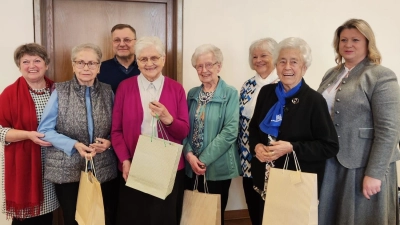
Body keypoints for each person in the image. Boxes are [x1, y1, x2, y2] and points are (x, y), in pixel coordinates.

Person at [317, 19, 400, 225]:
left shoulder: (380, 75)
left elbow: (389, 129)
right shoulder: (331, 74)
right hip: (332, 162)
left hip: (364, 164)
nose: (348, 44)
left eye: (355, 39)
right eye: (343, 40)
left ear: (367, 42)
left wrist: (374, 173)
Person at [248, 37, 339, 224]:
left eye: (294, 62)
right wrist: (256, 146)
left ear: (304, 68)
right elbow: (254, 128)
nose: (287, 67)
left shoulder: (314, 101)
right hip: (264, 179)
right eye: (282, 61)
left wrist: (292, 147)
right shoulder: (266, 93)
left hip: (296, 183)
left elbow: (329, 146)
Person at [112, 36, 189, 225]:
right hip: (134, 162)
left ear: (163, 59)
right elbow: (116, 131)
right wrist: (125, 160)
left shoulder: (176, 89)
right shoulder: (125, 87)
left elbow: (183, 131)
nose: (149, 63)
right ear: (137, 62)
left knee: (164, 216)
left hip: (167, 164)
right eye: (143, 59)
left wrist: (168, 119)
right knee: (134, 217)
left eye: (154, 58)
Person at [38, 43, 118, 225]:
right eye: (80, 62)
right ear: (73, 65)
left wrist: (109, 142)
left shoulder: (107, 91)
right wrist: (73, 144)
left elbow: (118, 128)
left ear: (99, 67)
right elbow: (44, 131)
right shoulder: (60, 91)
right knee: (75, 219)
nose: (86, 68)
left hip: (103, 167)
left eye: (91, 63)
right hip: (67, 169)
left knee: (105, 218)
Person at [0, 43, 59, 225]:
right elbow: (1, 131)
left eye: (37, 60)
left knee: (47, 216)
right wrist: (28, 135)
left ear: (46, 65)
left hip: (55, 165)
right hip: (24, 166)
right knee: (26, 217)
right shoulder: (9, 94)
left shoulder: (58, 91)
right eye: (25, 61)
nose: (31, 65)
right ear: (19, 66)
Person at [183, 44, 241, 225]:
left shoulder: (230, 93)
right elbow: (184, 127)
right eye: (199, 66)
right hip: (191, 167)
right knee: (192, 213)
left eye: (209, 65)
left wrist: (203, 159)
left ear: (219, 66)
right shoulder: (192, 94)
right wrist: (190, 155)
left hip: (217, 167)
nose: (204, 70)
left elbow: (230, 132)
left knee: (213, 215)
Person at [238, 37, 278, 225]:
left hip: (274, 156)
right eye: (255, 56)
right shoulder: (247, 85)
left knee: (274, 208)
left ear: (276, 57)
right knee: (253, 204)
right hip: (248, 156)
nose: (259, 60)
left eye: (264, 55)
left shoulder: (283, 83)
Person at [97, 24, 140, 93]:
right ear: (112, 43)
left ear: (136, 42)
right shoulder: (99, 69)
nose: (122, 44)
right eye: (117, 40)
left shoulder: (146, 68)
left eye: (127, 40)